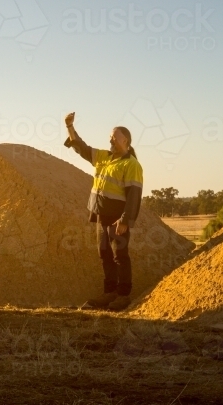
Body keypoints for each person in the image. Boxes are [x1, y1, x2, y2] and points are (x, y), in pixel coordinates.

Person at [64, 112, 143, 311]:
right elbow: (81, 147)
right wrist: (69, 127)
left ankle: (123, 295)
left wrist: (126, 219)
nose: (110, 140)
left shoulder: (131, 164)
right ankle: (109, 293)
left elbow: (134, 195)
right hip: (101, 216)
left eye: (114, 137)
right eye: (110, 137)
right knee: (105, 254)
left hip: (118, 218)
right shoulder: (103, 157)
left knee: (120, 255)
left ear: (125, 140)